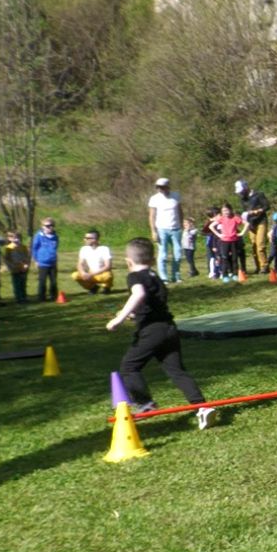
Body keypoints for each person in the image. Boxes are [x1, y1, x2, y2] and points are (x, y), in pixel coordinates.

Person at [106, 237, 214, 429]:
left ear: (128, 261)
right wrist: (134, 314)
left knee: (129, 367)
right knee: (177, 371)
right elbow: (152, 303)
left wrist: (119, 318)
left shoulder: (134, 277)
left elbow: (139, 294)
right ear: (153, 259)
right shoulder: (154, 276)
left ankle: (145, 404)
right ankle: (202, 407)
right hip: (169, 328)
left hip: (151, 331)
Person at [148, 177, 184, 283]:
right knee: (163, 254)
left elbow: (180, 211)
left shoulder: (176, 196)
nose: (160, 189)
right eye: (158, 187)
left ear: (168, 186)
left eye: (162, 187)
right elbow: (152, 216)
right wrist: (153, 231)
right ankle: (164, 277)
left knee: (177, 254)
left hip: (176, 228)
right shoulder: (154, 199)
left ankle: (176, 276)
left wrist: (181, 224)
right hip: (161, 229)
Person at [237, 180, 270, 274]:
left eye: (242, 191)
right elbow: (244, 211)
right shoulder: (243, 199)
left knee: (260, 245)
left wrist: (257, 211)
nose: (241, 193)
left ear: (246, 188)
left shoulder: (258, 195)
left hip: (261, 221)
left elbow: (267, 206)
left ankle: (264, 266)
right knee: (254, 245)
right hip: (251, 223)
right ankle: (258, 266)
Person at [211, 204, 243, 281]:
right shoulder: (221, 219)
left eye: (227, 210)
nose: (225, 212)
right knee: (224, 258)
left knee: (234, 258)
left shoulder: (235, 218)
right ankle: (225, 275)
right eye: (223, 211)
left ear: (230, 210)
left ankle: (235, 274)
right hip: (224, 241)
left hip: (234, 241)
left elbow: (246, 223)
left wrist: (242, 233)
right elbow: (211, 226)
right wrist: (219, 235)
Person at [31, 218, 60, 301]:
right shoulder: (38, 236)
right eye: (47, 226)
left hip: (53, 262)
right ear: (42, 226)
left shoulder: (55, 236)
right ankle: (41, 297)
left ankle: (54, 296)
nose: (50, 227)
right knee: (42, 281)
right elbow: (34, 248)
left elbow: (55, 247)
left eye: (52, 225)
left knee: (53, 281)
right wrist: (36, 260)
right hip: (42, 263)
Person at [3, 230, 30, 304]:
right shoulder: (9, 248)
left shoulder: (23, 247)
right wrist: (10, 267)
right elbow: (6, 259)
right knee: (17, 284)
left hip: (23, 268)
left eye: (17, 237)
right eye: (14, 237)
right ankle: (18, 298)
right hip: (14, 269)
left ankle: (24, 297)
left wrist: (26, 265)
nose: (16, 239)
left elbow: (27, 257)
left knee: (23, 283)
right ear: (10, 238)